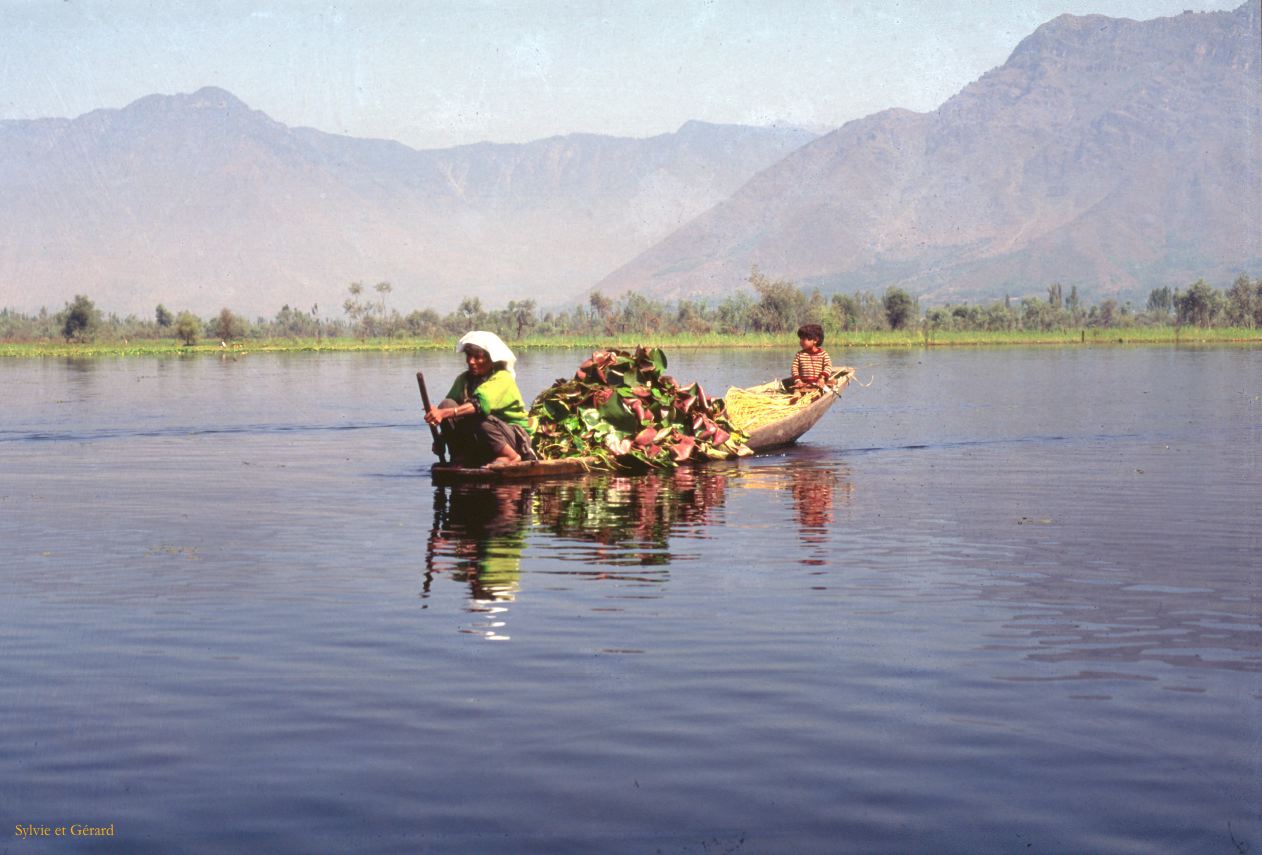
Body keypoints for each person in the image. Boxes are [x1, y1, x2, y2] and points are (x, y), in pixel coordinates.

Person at [424, 331, 536, 467]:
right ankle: (460, 457)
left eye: (477, 357)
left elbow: (478, 405)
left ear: (491, 359)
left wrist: (442, 414)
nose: (471, 361)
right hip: (480, 438)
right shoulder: (464, 380)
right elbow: (449, 410)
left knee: (476, 414)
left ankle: (510, 456)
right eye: (469, 356)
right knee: (446, 404)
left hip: (511, 439)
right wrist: (441, 438)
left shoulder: (502, 378)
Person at [791, 323, 833, 392]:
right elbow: (794, 368)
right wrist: (798, 380)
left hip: (818, 384)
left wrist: (822, 378)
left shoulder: (823, 354)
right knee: (796, 391)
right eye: (800, 339)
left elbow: (828, 366)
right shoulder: (799, 354)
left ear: (815, 340)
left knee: (819, 391)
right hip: (803, 384)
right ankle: (796, 398)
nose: (800, 342)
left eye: (803, 339)